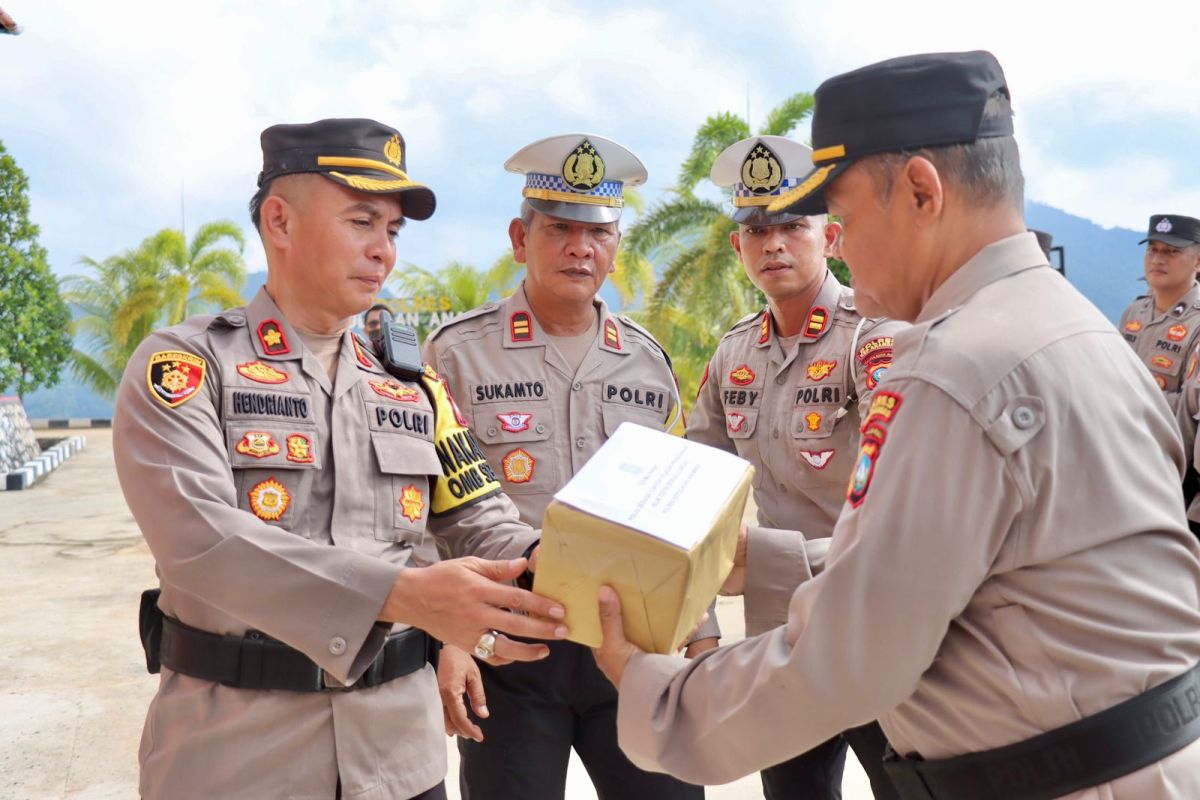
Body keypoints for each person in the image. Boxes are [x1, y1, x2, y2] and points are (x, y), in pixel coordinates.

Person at [593, 51, 1200, 800]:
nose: (837, 244)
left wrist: (658, 691)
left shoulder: (952, 367)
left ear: (920, 192)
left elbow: (850, 658)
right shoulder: (1082, 331)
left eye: (840, 217)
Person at [113, 118, 570, 800]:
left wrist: (574, 563)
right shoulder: (188, 365)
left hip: (398, 763)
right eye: (362, 221)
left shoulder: (412, 385)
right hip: (237, 761)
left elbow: (483, 520)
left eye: (392, 231)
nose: (383, 250)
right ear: (280, 222)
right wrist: (404, 595)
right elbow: (200, 542)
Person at [422, 133, 706, 800]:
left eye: (597, 232)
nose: (580, 247)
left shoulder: (646, 362)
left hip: (632, 651)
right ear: (521, 240)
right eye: (560, 229)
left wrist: (704, 633)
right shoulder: (457, 355)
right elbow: (420, 508)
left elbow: (682, 512)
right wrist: (449, 639)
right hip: (510, 649)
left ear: (615, 247)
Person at [687, 134, 901, 800]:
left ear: (830, 237)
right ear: (737, 247)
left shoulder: (874, 337)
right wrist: (698, 627)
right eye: (756, 228)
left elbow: (897, 502)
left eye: (791, 225)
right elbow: (690, 493)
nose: (774, 243)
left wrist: (768, 561)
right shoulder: (732, 356)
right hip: (782, 636)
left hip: (877, 626)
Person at [1117, 214, 1200, 412]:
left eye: (1172, 251)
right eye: (1152, 249)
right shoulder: (1134, 311)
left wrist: (1126, 399)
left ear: (1197, 262)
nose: (1157, 259)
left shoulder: (1196, 322)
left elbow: (1191, 408)